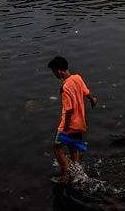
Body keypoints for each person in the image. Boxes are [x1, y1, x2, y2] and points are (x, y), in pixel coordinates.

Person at [47, 55, 98, 183]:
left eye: (54, 72)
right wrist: (93, 101)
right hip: (80, 123)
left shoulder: (65, 88)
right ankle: (77, 170)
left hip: (68, 125)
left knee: (56, 147)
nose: (54, 75)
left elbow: (68, 110)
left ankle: (66, 174)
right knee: (73, 146)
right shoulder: (77, 78)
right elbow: (87, 93)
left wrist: (64, 129)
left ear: (58, 71)